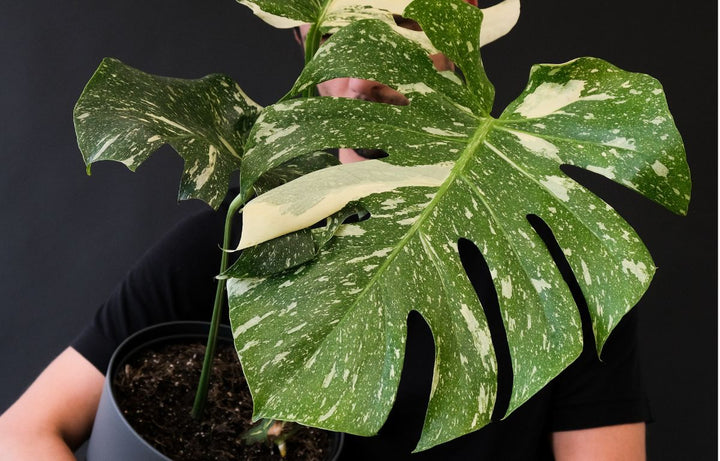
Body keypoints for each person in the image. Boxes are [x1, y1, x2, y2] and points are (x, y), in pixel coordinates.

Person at [0, 1, 651, 459]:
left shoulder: (562, 268)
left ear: (463, 29)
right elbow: (22, 432)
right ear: (304, 38)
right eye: (343, 34)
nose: (367, 77)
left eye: (402, 28)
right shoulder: (236, 238)